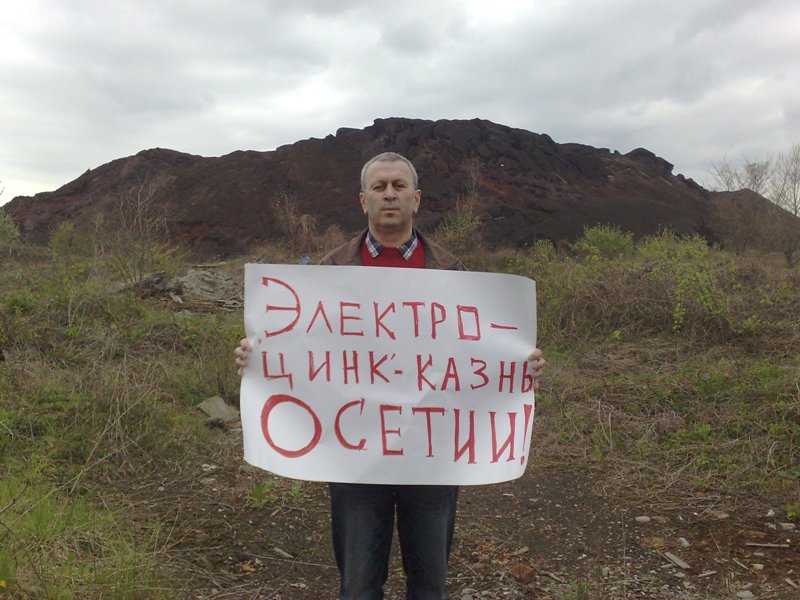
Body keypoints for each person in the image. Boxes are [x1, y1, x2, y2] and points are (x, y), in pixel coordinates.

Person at [235, 152, 545, 600]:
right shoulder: (327, 274)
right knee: (358, 585)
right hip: (355, 456)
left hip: (433, 455)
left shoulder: (453, 273)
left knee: (430, 585)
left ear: (416, 199)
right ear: (363, 200)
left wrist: (518, 363)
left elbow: (478, 350)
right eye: (379, 187)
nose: (389, 194)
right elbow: (300, 347)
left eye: (399, 186)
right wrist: (259, 359)